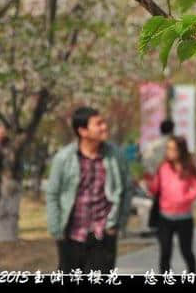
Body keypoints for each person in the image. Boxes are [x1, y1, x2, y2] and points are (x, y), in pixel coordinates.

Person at [46, 106, 133, 273]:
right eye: (98, 124)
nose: (104, 127)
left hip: (103, 235)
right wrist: (56, 229)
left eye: (103, 122)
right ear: (83, 131)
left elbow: (127, 190)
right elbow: (53, 194)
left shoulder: (115, 155)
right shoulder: (64, 158)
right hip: (71, 235)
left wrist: (117, 224)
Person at [144, 135, 196, 274]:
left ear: (181, 150)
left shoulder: (188, 168)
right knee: (165, 252)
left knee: (186, 252)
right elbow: (155, 189)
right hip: (165, 218)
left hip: (184, 217)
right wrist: (149, 183)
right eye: (168, 149)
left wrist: (186, 198)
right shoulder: (163, 167)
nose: (169, 152)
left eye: (173, 149)